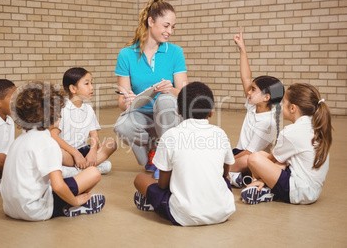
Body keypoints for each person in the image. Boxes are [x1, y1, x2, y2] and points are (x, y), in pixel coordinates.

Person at [133, 82, 236, 226]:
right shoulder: (220, 134)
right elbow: (225, 174)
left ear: (178, 110)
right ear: (211, 111)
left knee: (140, 179)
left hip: (185, 216)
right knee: (222, 182)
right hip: (223, 212)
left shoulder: (170, 136)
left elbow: (163, 185)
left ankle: (153, 202)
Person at [0, 81, 105, 221]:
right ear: (53, 114)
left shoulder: (19, 140)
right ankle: (71, 206)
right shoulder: (48, 142)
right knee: (93, 173)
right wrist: (76, 200)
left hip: (10, 208)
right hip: (35, 210)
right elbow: (58, 186)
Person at [113, 0, 189, 178]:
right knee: (122, 124)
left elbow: (185, 95)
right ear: (150, 22)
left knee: (164, 100)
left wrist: (168, 89)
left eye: (173, 27)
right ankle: (152, 153)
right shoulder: (126, 54)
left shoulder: (175, 52)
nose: (170, 31)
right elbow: (122, 103)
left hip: (169, 116)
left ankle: (166, 159)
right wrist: (127, 100)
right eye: (166, 26)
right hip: (143, 117)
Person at [240, 83, 332, 205]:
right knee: (269, 156)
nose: (281, 106)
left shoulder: (291, 132)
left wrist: (260, 176)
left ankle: (266, 188)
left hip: (298, 191)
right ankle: (265, 185)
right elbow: (278, 161)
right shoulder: (314, 125)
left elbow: (269, 161)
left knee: (254, 158)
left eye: (284, 103)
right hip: (312, 190)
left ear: (293, 108)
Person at [228, 27, 284, 188]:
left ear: (267, 97)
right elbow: (245, 77)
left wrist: (226, 163)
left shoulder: (267, 122)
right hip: (240, 152)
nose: (249, 92)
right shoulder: (253, 106)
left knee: (244, 160)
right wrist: (242, 49)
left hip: (251, 158)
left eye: (253, 90)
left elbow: (250, 154)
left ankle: (226, 173)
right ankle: (234, 176)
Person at [50, 67, 117, 177]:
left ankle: (77, 170)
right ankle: (91, 168)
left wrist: (92, 152)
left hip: (83, 151)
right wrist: (75, 154)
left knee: (111, 143)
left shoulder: (88, 109)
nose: (92, 87)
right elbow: (53, 136)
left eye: (92, 83)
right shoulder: (62, 108)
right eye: (86, 84)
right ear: (73, 88)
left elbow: (94, 135)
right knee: (57, 154)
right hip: (68, 153)